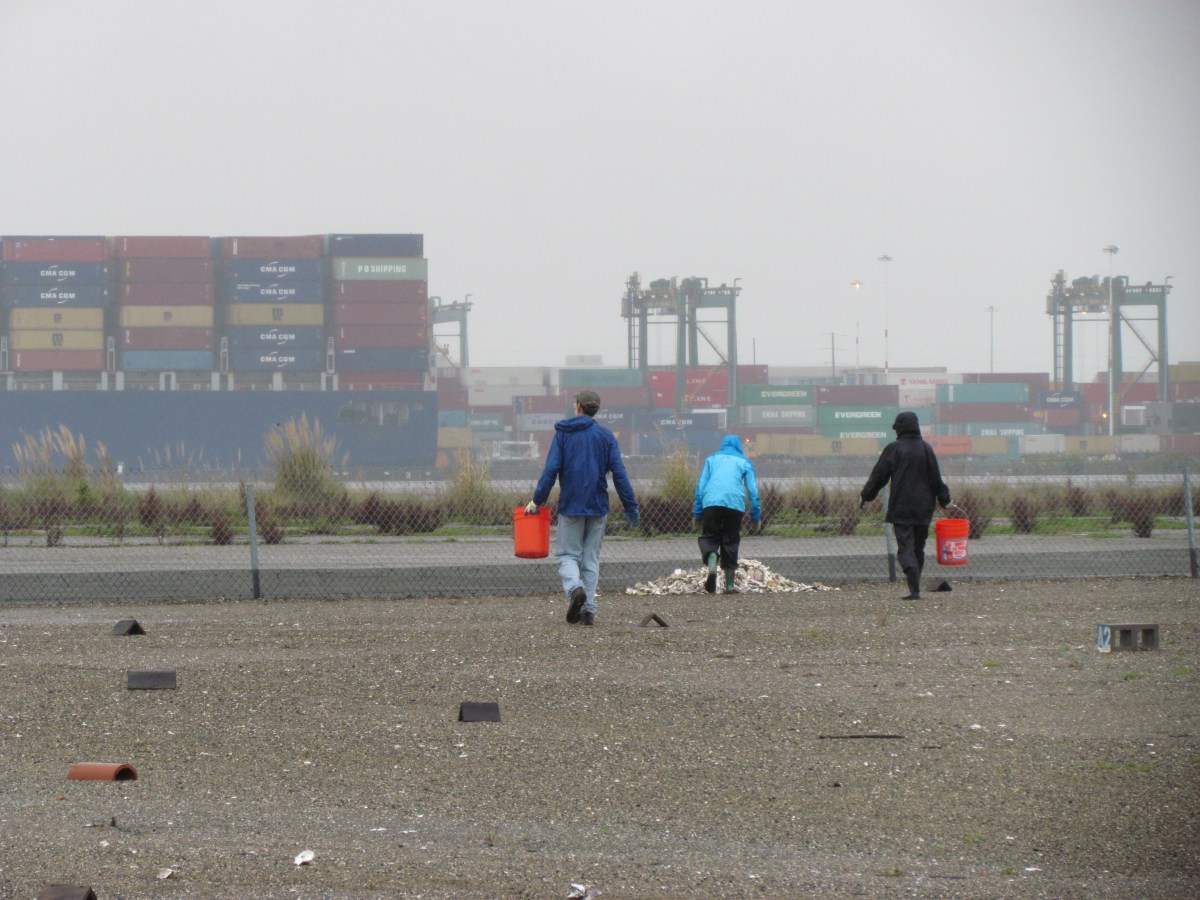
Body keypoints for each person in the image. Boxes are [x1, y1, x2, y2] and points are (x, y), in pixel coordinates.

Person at [526, 390, 639, 626]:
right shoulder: (607, 437)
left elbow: (551, 469)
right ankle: (588, 611)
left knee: (567, 555)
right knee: (591, 560)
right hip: (598, 506)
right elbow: (619, 473)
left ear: (578, 406)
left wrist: (537, 500)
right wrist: (630, 505)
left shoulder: (563, 434)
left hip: (571, 505)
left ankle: (575, 589)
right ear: (595, 409)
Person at [859, 410, 952, 600]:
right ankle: (915, 588)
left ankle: (914, 587)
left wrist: (866, 496)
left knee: (905, 549)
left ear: (900, 428)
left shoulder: (894, 449)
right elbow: (936, 479)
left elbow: (878, 476)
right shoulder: (926, 449)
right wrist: (945, 500)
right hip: (924, 509)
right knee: (918, 548)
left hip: (901, 508)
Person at [693, 434, 763, 594]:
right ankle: (729, 585)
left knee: (710, 537)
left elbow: (701, 486)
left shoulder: (712, 459)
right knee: (731, 540)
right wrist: (756, 515)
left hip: (711, 502)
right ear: (739, 446)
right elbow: (753, 491)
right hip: (735, 504)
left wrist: (697, 512)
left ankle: (712, 567)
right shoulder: (745, 461)